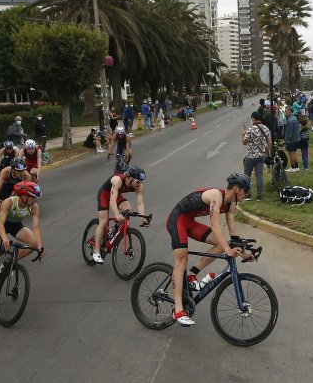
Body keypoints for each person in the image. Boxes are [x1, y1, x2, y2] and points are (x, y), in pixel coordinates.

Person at [167, 172, 252, 326]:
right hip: (177, 220)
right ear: (236, 188)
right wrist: (228, 249)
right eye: (246, 191)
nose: (247, 194)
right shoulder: (216, 196)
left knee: (221, 244)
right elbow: (215, 225)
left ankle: (192, 274)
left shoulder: (231, 204)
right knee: (181, 261)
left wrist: (244, 252)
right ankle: (177, 309)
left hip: (189, 221)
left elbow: (233, 235)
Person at [0, 181, 44, 303]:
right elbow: (0, 223)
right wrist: (5, 239)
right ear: (23, 196)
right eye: (33, 197)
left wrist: (40, 246)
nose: (35, 200)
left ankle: (9, 261)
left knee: (32, 243)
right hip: (0, 226)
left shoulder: (34, 207)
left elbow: (36, 228)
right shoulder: (9, 202)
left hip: (16, 226)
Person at [93, 166, 148, 264]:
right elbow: (112, 200)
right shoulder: (117, 180)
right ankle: (96, 252)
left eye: (141, 181)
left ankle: (114, 229)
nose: (140, 184)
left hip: (116, 195)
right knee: (104, 221)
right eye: (138, 181)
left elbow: (140, 203)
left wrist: (143, 217)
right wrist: (117, 214)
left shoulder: (139, 186)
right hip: (105, 195)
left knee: (128, 211)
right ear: (130, 178)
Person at [242, 111, 271, 201]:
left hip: (251, 156)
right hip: (261, 156)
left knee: (247, 175)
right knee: (259, 175)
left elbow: (244, 142)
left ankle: (248, 194)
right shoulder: (265, 128)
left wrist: (243, 133)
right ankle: (259, 196)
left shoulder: (250, 129)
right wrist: (265, 152)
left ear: (253, 118)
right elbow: (269, 142)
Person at [283, 106, 301, 172]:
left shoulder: (290, 120)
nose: (285, 112)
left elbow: (289, 132)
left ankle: (292, 167)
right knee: (294, 153)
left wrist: (286, 140)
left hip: (291, 140)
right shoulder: (295, 118)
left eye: (286, 111)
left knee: (291, 153)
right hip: (296, 138)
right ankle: (296, 167)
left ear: (290, 111)